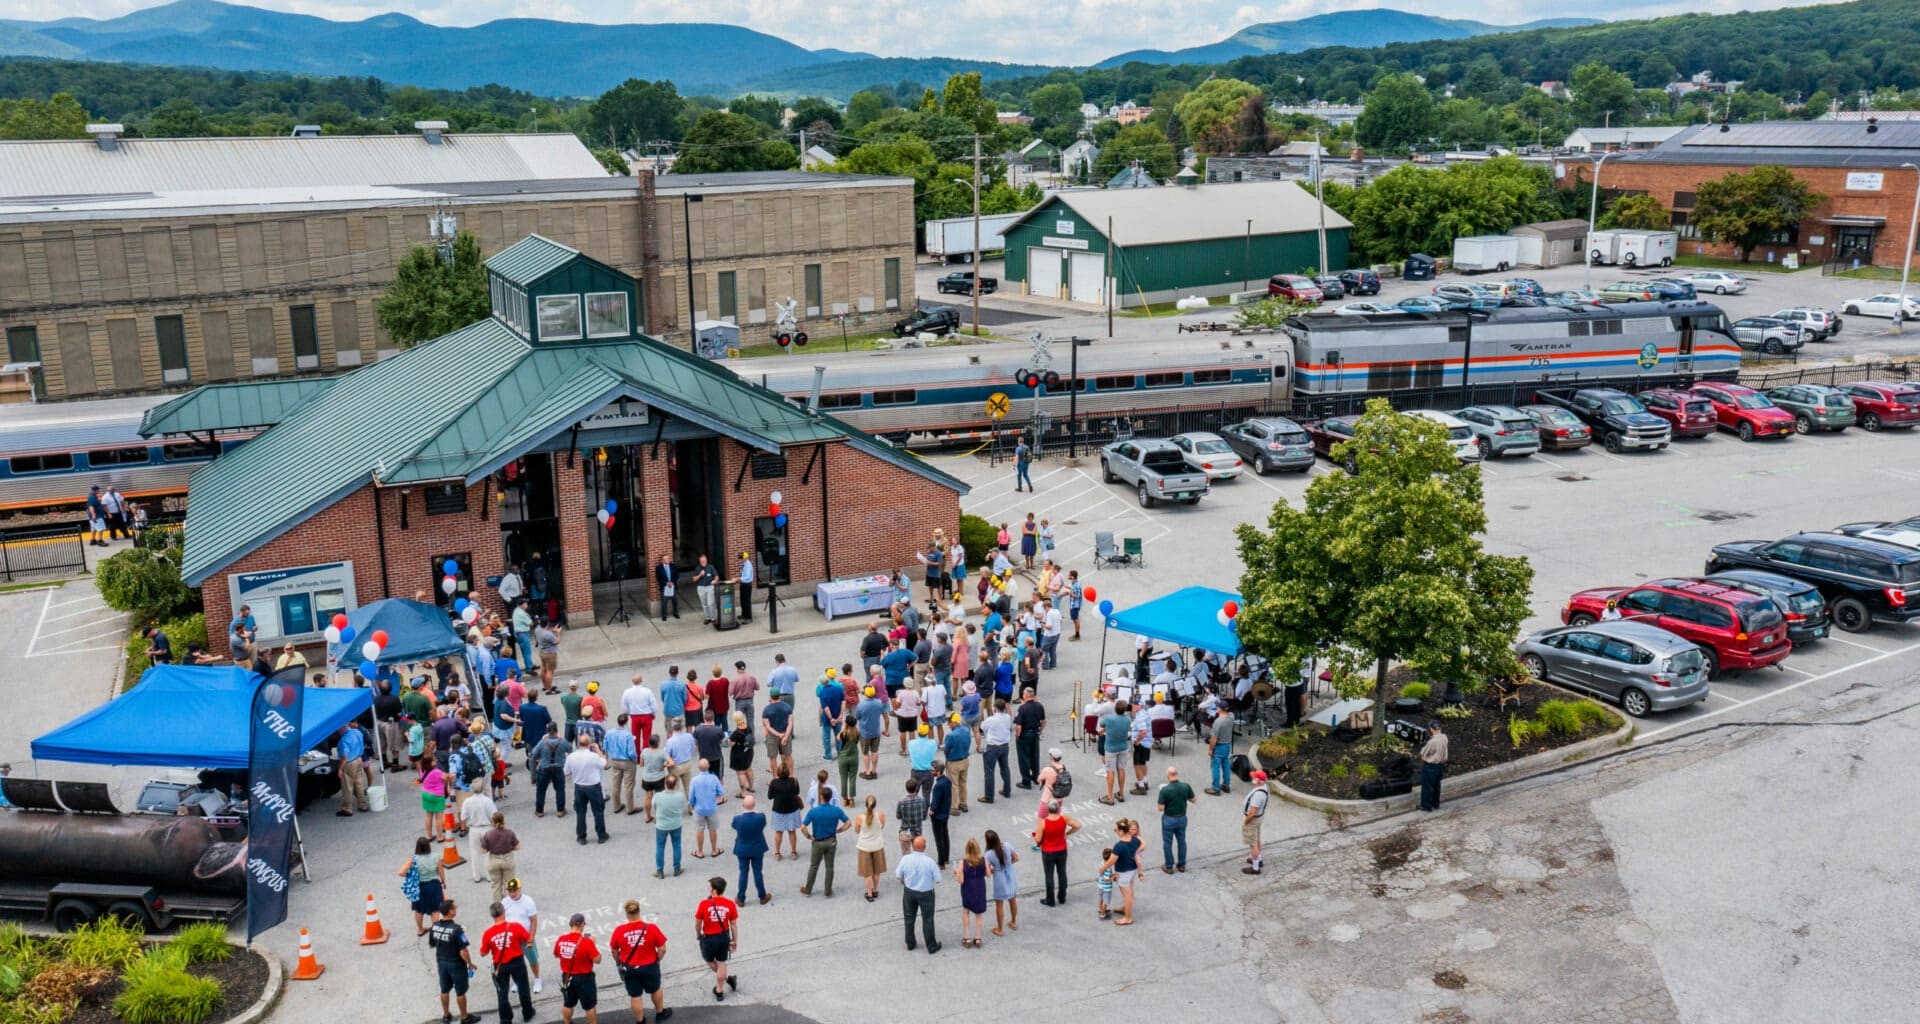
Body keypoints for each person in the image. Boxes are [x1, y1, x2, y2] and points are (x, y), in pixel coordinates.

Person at [609, 900, 669, 1024]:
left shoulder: (619, 930)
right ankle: (660, 1013)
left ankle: (640, 1021)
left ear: (626, 914)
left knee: (635, 996)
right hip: (649, 966)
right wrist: (657, 959)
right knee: (655, 989)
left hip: (630, 968)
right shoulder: (651, 928)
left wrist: (618, 962)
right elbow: (662, 948)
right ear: (639, 911)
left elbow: (614, 951)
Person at [480, 900, 535, 1024]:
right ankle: (527, 1013)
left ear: (492, 916)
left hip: (500, 966)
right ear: (504, 912)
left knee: (502, 993)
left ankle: (505, 1019)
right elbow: (529, 939)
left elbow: (483, 953)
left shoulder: (488, 933)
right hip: (517, 963)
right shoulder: (516, 927)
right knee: (523, 988)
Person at [426, 899, 480, 1024]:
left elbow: (432, 944)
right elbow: (463, 952)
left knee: (444, 990)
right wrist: (470, 964)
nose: (456, 909)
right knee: (460, 992)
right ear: (450, 911)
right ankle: (464, 1017)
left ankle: (446, 1015)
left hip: (442, 963)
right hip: (456, 964)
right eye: (454, 908)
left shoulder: (434, 926)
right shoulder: (457, 930)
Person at [694, 877, 740, 1001]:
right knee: (721, 963)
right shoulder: (730, 904)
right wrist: (734, 941)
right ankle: (720, 989)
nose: (709, 889)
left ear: (714, 890)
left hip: (708, 938)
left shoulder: (704, 904)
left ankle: (724, 984)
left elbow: (698, 923)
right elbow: (734, 925)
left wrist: (698, 934)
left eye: (710, 887)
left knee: (709, 960)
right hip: (723, 937)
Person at [896, 835, 942, 953]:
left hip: (909, 892)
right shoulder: (930, 862)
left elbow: (899, 875)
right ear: (924, 847)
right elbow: (938, 879)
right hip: (926, 893)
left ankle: (910, 942)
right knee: (927, 918)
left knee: (909, 917)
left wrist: (906, 881)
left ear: (913, 846)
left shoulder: (905, 859)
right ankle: (931, 945)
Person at [1034, 800, 1082, 907]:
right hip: (1062, 850)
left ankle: (1050, 900)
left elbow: (1038, 839)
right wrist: (1067, 833)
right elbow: (1078, 825)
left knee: (1049, 875)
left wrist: (1035, 836)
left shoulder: (1043, 823)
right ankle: (1062, 897)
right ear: (1058, 809)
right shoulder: (1064, 818)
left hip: (1048, 852)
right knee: (1062, 873)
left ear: (1048, 809)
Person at [498, 879, 543, 995]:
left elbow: (533, 920)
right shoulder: (505, 902)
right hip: (512, 940)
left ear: (519, 889)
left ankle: (537, 979)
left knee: (532, 960)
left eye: (514, 890)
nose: (512, 894)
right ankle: (517, 981)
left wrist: (531, 937)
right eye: (510, 891)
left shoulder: (528, 902)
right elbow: (502, 919)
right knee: (515, 963)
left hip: (525, 938)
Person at [565, 734, 610, 846]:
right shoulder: (593, 756)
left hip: (579, 787)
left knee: (580, 812)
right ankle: (601, 835)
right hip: (593, 787)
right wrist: (599, 751)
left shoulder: (571, 757)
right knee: (598, 811)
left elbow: (566, 772)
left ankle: (581, 837)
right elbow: (605, 764)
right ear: (589, 744)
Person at [730, 794, 770, 906]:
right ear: (754, 805)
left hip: (742, 849)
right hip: (757, 848)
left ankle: (741, 897)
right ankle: (762, 896)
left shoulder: (737, 819)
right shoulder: (761, 817)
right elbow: (763, 824)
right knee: (758, 872)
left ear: (743, 805)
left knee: (743, 873)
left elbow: (733, 826)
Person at [400, 836, 445, 936]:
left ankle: (420, 929)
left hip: (419, 887)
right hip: (434, 885)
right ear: (429, 846)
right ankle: (435, 931)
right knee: (435, 909)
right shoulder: (435, 856)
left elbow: (401, 872)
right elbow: (440, 871)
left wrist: (409, 875)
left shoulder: (414, 859)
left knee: (418, 909)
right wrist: (443, 881)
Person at [1157, 765, 1195, 874]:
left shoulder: (1165, 790)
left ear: (1168, 776)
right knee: (1182, 841)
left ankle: (1169, 866)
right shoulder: (1185, 786)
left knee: (1167, 842)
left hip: (1169, 819)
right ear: (1177, 774)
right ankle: (1181, 864)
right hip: (1182, 818)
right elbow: (1193, 800)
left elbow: (1161, 808)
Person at [954, 837, 991, 948]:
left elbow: (961, 881)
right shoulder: (983, 860)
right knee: (978, 914)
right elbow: (989, 875)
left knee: (966, 911)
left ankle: (967, 938)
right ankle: (978, 938)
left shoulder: (962, 863)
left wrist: (957, 872)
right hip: (980, 888)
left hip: (968, 888)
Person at [1109, 819, 1146, 925]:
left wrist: (1140, 872)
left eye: (1134, 829)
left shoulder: (1131, 840)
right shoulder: (1133, 839)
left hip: (1126, 870)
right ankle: (1125, 908)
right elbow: (1142, 843)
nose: (1132, 831)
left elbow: (1143, 847)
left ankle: (1128, 917)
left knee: (1127, 894)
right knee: (1129, 890)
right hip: (1131, 869)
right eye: (1131, 829)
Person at [1097, 700, 1133, 805]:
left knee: (1110, 771)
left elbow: (1102, 724)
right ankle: (1121, 793)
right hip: (1123, 747)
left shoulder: (1109, 719)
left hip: (1111, 748)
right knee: (1121, 769)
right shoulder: (1128, 719)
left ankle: (1110, 796)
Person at [689, 760, 725, 859]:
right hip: (712, 808)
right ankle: (714, 850)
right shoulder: (714, 778)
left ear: (698, 767)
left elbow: (691, 796)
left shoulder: (694, 780)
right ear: (708, 766)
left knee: (699, 830)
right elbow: (721, 792)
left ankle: (699, 852)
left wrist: (691, 805)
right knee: (713, 829)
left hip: (699, 809)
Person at [479, 812, 519, 902]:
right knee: (509, 884)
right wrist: (509, 847)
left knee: (495, 885)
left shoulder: (488, 834)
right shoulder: (509, 833)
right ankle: (508, 903)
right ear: (503, 820)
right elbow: (517, 847)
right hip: (507, 859)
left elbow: (484, 851)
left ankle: (498, 906)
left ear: (493, 821)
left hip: (494, 860)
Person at [653, 775, 687, 878]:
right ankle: (677, 868)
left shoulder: (658, 796)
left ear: (665, 783)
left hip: (662, 825)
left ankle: (660, 871)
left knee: (660, 846)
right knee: (677, 845)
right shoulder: (680, 796)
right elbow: (682, 806)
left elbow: (654, 806)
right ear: (676, 784)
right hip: (676, 824)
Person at [334, 722, 370, 817]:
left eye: (338, 729)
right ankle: (363, 805)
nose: (337, 731)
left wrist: (339, 769)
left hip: (349, 763)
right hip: (359, 759)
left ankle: (347, 809)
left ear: (342, 728)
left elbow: (344, 757)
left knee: (347, 786)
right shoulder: (357, 732)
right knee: (358, 783)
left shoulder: (343, 740)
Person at [979, 699, 1012, 803]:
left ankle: (989, 796)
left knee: (989, 772)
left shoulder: (991, 719)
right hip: (1004, 746)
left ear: (995, 708)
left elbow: (982, 726)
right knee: (1005, 768)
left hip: (992, 747)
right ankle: (1007, 790)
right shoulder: (1007, 717)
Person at [605, 715, 638, 815]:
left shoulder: (609, 733)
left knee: (616, 784)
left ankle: (616, 805)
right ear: (626, 722)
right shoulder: (628, 735)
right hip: (627, 761)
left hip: (615, 760)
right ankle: (630, 808)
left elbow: (605, 746)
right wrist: (635, 760)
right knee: (628, 785)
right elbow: (631, 752)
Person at [1013, 687, 1045, 788]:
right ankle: (1036, 777)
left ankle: (1026, 781)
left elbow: (1018, 726)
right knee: (1035, 756)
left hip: (1025, 734)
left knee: (1024, 757)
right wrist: (1040, 731)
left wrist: (1018, 736)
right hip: (1035, 733)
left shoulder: (1022, 708)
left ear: (1026, 696)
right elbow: (1043, 721)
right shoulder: (1039, 706)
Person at [854, 686, 886, 780]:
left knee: (865, 753)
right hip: (876, 731)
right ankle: (874, 771)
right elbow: (881, 711)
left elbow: (857, 717)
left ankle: (867, 772)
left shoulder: (861, 705)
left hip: (865, 733)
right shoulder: (879, 702)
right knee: (874, 752)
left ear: (866, 694)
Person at [942, 713, 971, 813]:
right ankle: (963, 803)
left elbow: (946, 750)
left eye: (949, 722)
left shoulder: (951, 736)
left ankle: (954, 807)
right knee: (963, 782)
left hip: (953, 763)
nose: (948, 724)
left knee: (953, 785)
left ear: (954, 723)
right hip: (965, 760)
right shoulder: (966, 730)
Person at [1242, 770, 1270, 875]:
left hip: (1252, 820)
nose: (1252, 778)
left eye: (1254, 777)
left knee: (1252, 844)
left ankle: (1255, 867)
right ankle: (1259, 859)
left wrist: (1246, 821)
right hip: (1259, 818)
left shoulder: (1259, 795)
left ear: (1259, 780)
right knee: (1257, 838)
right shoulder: (1264, 787)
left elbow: (1252, 812)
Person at [761, 689, 794, 776]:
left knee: (773, 758)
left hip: (772, 736)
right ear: (780, 695)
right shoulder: (787, 707)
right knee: (788, 756)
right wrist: (786, 736)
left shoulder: (766, 710)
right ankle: (791, 776)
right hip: (785, 733)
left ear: (771, 697)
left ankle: (774, 778)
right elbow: (790, 723)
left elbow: (767, 726)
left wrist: (778, 734)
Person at [621, 674, 659, 750]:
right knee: (647, 737)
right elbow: (654, 704)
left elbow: (624, 706)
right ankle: (645, 755)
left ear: (632, 681)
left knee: (635, 737)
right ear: (641, 681)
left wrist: (628, 713)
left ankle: (637, 756)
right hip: (647, 716)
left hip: (634, 716)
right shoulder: (647, 691)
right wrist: (654, 714)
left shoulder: (627, 692)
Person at [1420, 720, 1450, 812]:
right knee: (1437, 786)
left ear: (1432, 729)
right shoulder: (1444, 737)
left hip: (1430, 766)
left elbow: (1423, 753)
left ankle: (1426, 806)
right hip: (1439, 765)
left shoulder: (1432, 742)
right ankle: (1435, 803)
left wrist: (1423, 747)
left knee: (1427, 787)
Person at [638, 735, 669, 821]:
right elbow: (671, 762)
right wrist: (664, 766)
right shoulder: (661, 753)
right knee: (659, 797)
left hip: (647, 778)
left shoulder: (644, 751)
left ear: (649, 743)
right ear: (658, 743)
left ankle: (648, 816)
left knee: (648, 797)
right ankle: (659, 817)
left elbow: (641, 764)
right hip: (658, 778)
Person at [1205, 705, 1235, 796]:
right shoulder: (1231, 716)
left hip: (1219, 746)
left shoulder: (1218, 722)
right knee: (1226, 765)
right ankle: (1226, 785)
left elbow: (1213, 739)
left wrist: (1210, 749)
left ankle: (1215, 788)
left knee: (1215, 767)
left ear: (1220, 709)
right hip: (1227, 745)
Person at [894, 777, 927, 856]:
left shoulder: (902, 801)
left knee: (906, 854)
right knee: (918, 853)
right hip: (917, 830)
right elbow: (924, 816)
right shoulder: (922, 800)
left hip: (905, 830)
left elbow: (898, 816)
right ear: (916, 788)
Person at [834, 722, 860, 805]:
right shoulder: (857, 733)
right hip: (854, 757)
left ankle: (845, 799)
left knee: (843, 778)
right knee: (852, 778)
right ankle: (852, 799)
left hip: (844, 758)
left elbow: (837, 737)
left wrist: (842, 728)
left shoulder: (844, 733)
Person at [533, 619, 562, 693]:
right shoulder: (548, 635)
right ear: (547, 624)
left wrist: (553, 630)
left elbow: (545, 630)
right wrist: (558, 633)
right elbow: (557, 641)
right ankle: (549, 689)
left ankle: (545, 686)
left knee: (544, 669)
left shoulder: (537, 629)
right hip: (550, 654)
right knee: (549, 671)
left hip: (542, 652)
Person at [693, 555, 720, 623]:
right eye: (701, 561)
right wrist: (700, 575)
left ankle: (713, 618)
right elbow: (694, 579)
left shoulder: (710, 567)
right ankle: (707, 618)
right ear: (700, 561)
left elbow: (716, 576)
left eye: (704, 561)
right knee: (704, 603)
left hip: (709, 586)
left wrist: (715, 580)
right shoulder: (698, 568)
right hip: (701, 587)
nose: (703, 562)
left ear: (706, 560)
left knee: (710, 603)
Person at [1094, 847, 1117, 920]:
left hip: (1100, 885)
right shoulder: (1109, 867)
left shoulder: (1102, 863)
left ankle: (1101, 910)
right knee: (1105, 901)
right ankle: (1103, 915)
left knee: (1101, 899)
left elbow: (1102, 876)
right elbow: (1106, 879)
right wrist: (1113, 878)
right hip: (1106, 887)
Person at [655, 555, 680, 621]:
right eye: (666, 559)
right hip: (664, 587)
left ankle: (676, 613)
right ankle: (664, 615)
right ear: (662, 560)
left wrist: (672, 582)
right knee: (664, 602)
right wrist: (666, 583)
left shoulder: (673, 566)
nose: (668, 560)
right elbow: (658, 578)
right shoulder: (659, 568)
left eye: (668, 559)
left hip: (672, 586)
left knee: (675, 601)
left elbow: (677, 575)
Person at [736, 550, 755, 623]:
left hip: (747, 585)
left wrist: (738, 578)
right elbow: (742, 574)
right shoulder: (744, 564)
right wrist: (739, 579)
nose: (740, 560)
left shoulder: (748, 565)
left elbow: (747, 576)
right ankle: (743, 615)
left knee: (746, 601)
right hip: (743, 584)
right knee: (742, 601)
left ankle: (748, 618)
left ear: (745, 558)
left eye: (741, 558)